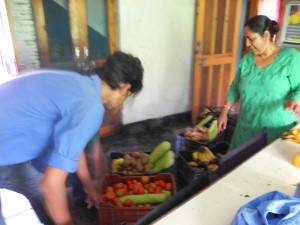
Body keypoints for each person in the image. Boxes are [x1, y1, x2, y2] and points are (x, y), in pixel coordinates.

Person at [0, 51, 144, 225]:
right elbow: (51, 184)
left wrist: (89, 188)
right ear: (124, 87)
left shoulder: (77, 83)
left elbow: (72, 148)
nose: (120, 105)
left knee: (40, 189)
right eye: (126, 97)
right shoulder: (91, 106)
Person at [218, 15, 300, 151]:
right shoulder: (246, 61)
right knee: (239, 167)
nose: (247, 44)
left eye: (251, 38)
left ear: (266, 35)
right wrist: (224, 111)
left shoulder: (290, 57)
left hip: (275, 131)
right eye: (246, 39)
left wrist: (296, 100)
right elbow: (235, 88)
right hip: (245, 128)